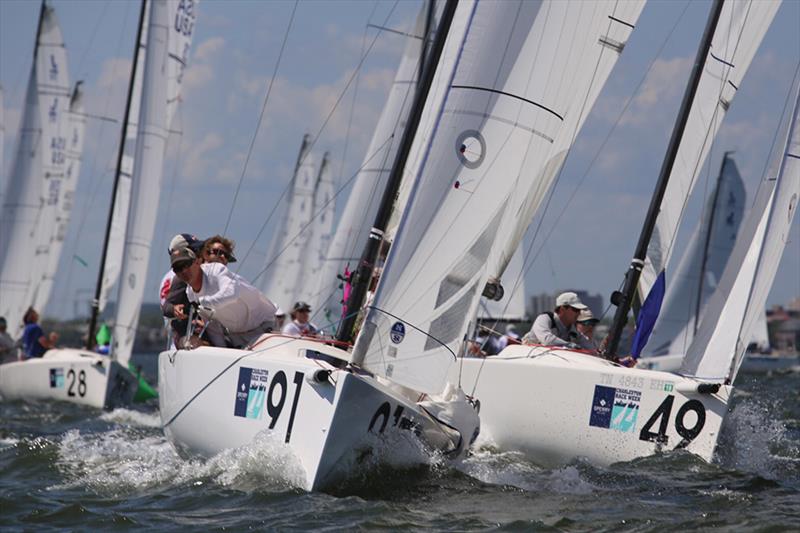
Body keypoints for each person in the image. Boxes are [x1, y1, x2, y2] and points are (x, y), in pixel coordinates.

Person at [172, 248, 277, 348]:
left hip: (263, 327)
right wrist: (221, 348)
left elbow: (231, 293)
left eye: (186, 264)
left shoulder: (217, 270)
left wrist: (203, 302)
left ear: (198, 261)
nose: (183, 271)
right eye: (178, 268)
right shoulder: (190, 294)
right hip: (237, 336)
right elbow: (212, 324)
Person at [161, 233, 205, 346]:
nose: (200, 251)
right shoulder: (176, 277)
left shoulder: (199, 270)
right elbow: (166, 307)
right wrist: (174, 309)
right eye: (195, 249)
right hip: (187, 339)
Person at [522, 292, 586, 347]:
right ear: (562, 309)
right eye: (576, 310)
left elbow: (587, 345)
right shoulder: (544, 318)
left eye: (579, 310)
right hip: (527, 354)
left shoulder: (573, 330)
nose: (579, 313)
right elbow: (547, 340)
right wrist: (568, 344)